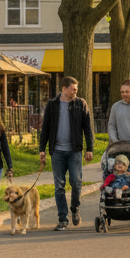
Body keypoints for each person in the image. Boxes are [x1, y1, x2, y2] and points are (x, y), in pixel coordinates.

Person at [39, 76, 94, 231]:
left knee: (76, 182)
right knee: (59, 186)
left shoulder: (80, 104)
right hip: (57, 151)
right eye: (73, 89)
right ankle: (62, 218)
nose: (75, 92)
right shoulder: (52, 105)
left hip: (74, 151)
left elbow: (87, 128)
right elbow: (46, 128)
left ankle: (75, 209)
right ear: (64, 88)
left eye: (76, 89)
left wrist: (89, 148)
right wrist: (42, 149)